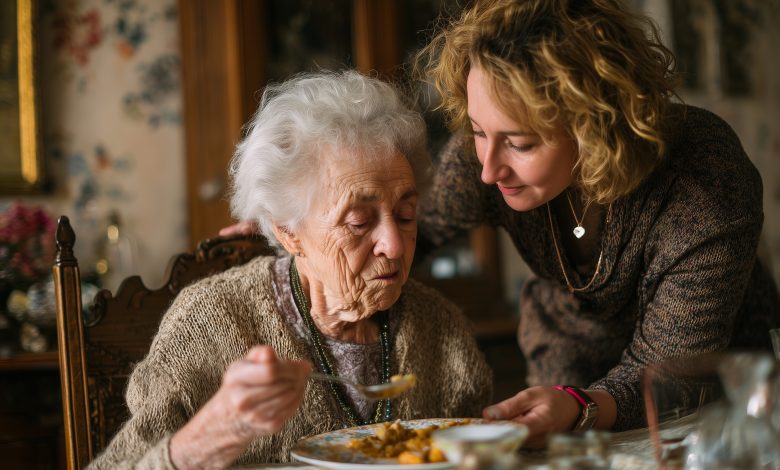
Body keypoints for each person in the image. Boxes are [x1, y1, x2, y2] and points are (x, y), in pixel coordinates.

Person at [411, 0, 780, 446]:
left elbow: (673, 373)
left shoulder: (704, 176)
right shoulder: (481, 161)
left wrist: (579, 406)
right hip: (565, 365)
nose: (489, 170)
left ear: (595, 123)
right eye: (477, 131)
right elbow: (407, 236)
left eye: (521, 144)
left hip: (714, 398)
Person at [89, 71, 492, 469]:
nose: (395, 245)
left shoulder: (441, 330)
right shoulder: (211, 325)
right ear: (288, 232)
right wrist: (212, 437)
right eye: (358, 221)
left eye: (405, 215)